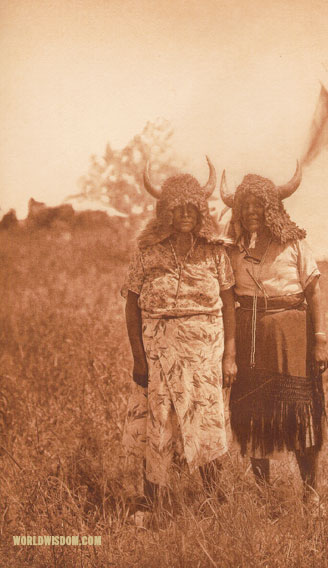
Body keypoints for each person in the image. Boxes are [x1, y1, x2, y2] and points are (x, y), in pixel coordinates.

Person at [122, 157, 237, 514]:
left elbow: (229, 303)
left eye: (192, 207)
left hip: (206, 354)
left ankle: (214, 501)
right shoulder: (147, 251)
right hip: (159, 353)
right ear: (164, 211)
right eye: (177, 208)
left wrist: (229, 355)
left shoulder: (216, 251)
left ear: (201, 210)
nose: (185, 214)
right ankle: (149, 503)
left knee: (208, 423)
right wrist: (139, 359)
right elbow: (132, 304)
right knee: (158, 423)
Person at [220, 163, 328, 500]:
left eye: (259, 205)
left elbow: (313, 292)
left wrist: (320, 340)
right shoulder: (232, 249)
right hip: (250, 336)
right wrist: (230, 354)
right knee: (253, 414)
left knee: (300, 413)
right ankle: (264, 493)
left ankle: (310, 494)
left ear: (273, 208)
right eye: (245, 205)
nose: (252, 212)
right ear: (238, 210)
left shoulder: (294, 243)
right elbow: (226, 300)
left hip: (293, 335)